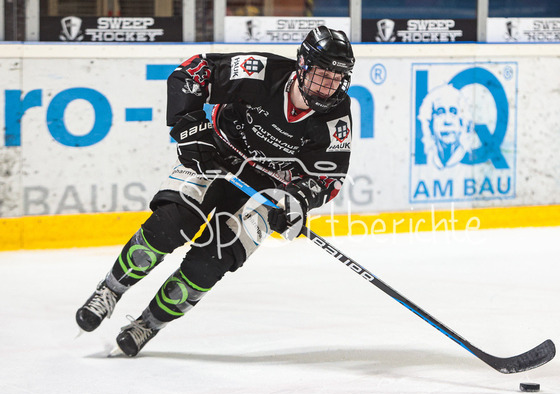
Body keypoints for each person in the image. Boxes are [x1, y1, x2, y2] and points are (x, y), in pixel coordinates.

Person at [75, 26, 355, 357]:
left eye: (337, 77)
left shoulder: (337, 117)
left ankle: (148, 324)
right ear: (302, 66)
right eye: (322, 74)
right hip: (215, 158)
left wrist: (295, 201)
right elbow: (193, 72)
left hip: (265, 191)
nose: (328, 85)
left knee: (209, 265)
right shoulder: (263, 72)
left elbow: (328, 177)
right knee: (168, 226)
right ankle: (109, 290)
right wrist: (190, 126)